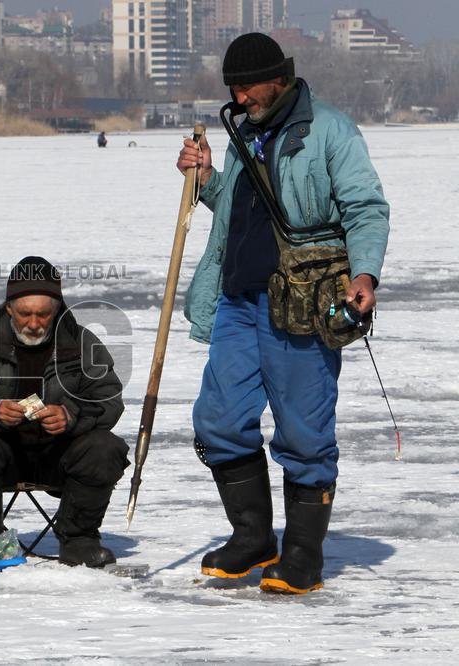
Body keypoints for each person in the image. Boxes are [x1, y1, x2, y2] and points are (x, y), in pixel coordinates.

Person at [176, 34, 389, 594]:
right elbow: (244, 208)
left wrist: (364, 274)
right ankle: (253, 538)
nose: (240, 96)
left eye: (247, 86)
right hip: (237, 300)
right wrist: (206, 181)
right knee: (219, 421)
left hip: (301, 303)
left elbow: (366, 208)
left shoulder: (331, 131)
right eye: (233, 89)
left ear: (279, 77)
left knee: (303, 432)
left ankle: (302, 555)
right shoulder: (242, 131)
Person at [0, 257, 130, 568]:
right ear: (9, 307)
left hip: (61, 456)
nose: (34, 323)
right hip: (1, 455)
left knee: (105, 447)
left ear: (56, 309)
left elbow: (109, 399)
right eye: (25, 313)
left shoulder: (82, 342)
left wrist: (71, 416)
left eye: (43, 314)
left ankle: (79, 540)